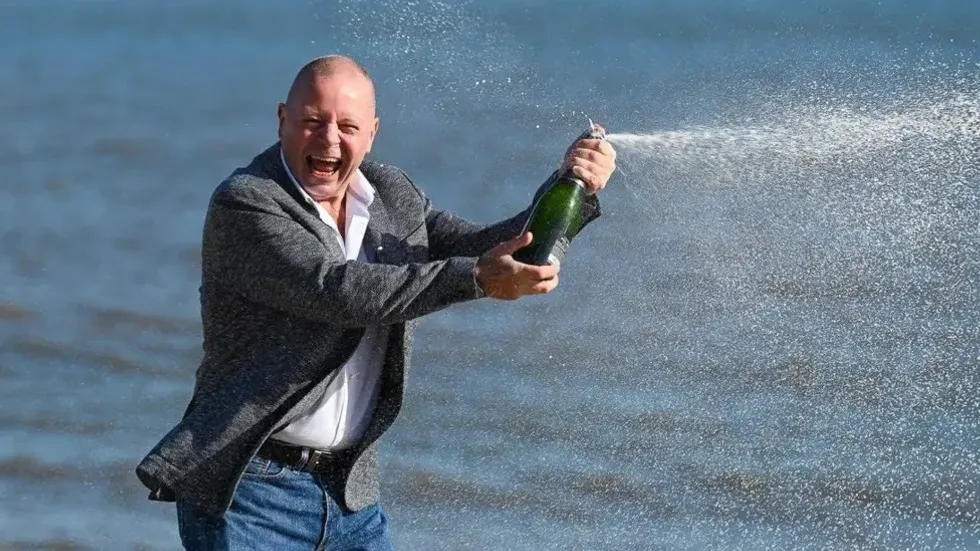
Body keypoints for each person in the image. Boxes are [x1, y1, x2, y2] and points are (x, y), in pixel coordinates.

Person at [135, 54, 617, 551]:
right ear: (282, 120)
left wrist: (571, 184)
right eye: (311, 122)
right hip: (252, 492)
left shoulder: (392, 193)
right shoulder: (247, 202)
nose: (328, 140)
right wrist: (476, 279)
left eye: (347, 126)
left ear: (372, 133)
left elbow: (495, 246)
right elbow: (339, 290)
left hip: (351, 497)